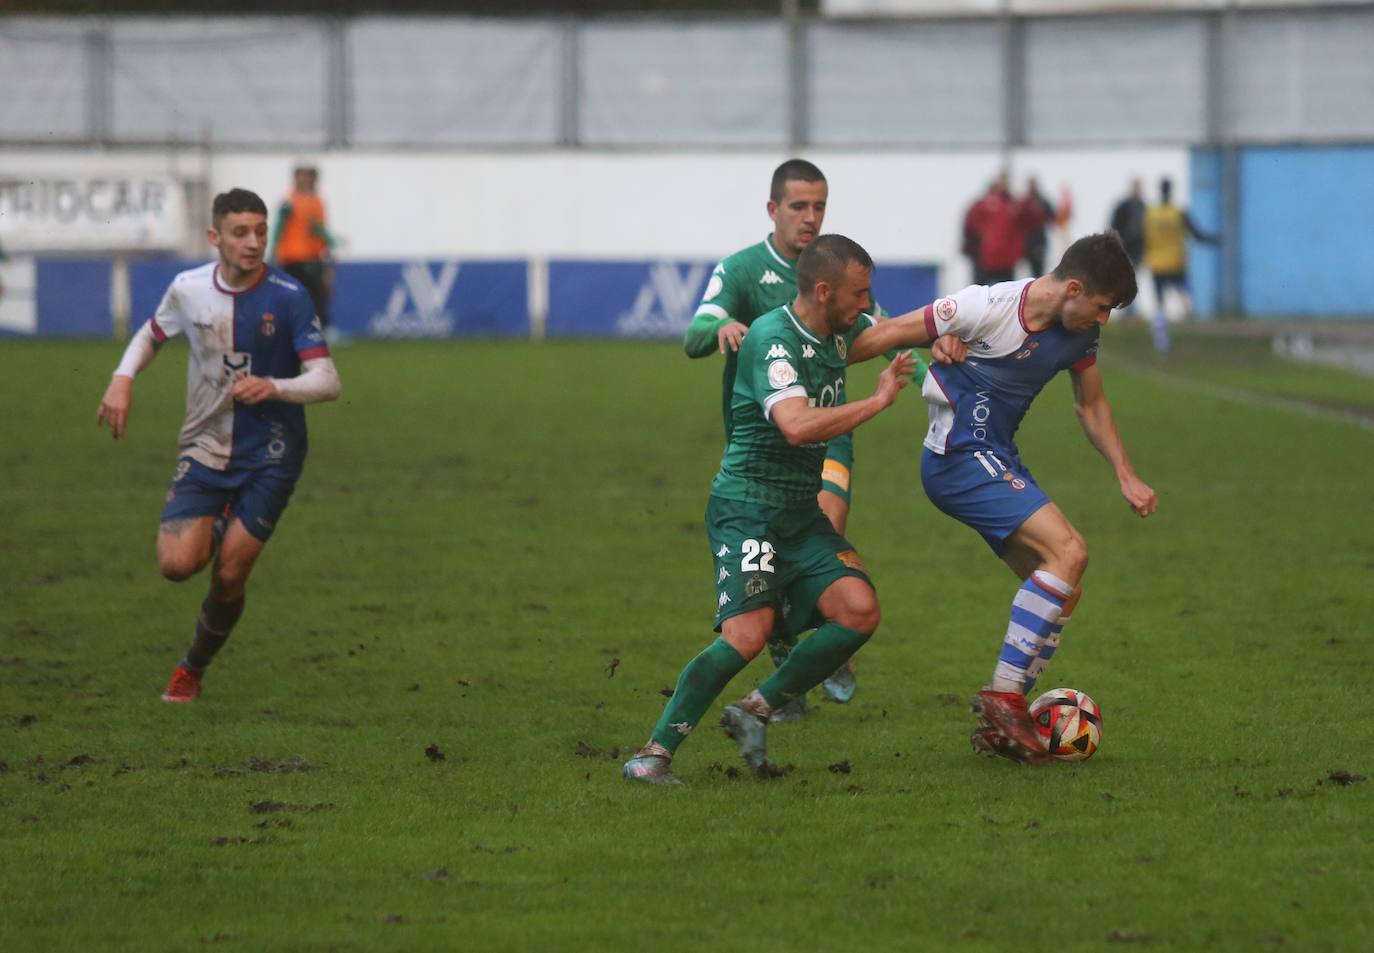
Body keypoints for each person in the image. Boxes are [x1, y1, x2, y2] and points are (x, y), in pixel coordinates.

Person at [623, 235, 940, 785]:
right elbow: (794, 426)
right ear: (823, 292)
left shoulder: (835, 332)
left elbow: (894, 330)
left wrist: (962, 329)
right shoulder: (773, 339)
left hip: (798, 514)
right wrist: (876, 400)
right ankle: (652, 755)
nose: (867, 305)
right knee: (746, 637)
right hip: (748, 509)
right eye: (859, 294)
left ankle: (755, 709)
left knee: (858, 609)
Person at [849, 232, 1157, 762]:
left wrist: (1125, 473)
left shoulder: (1079, 334)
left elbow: (1092, 405)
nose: (1103, 320)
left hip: (996, 457)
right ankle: (1005, 697)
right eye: (1103, 307)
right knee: (1071, 552)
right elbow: (882, 335)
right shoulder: (982, 306)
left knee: (1065, 586)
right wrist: (803, 361)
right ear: (1075, 289)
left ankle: (999, 725)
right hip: (957, 457)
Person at [681, 159, 952, 713]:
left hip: (831, 427)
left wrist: (934, 374)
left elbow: (885, 334)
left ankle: (805, 642)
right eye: (799, 206)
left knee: (826, 525)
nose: (810, 217)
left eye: (819, 206)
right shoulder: (741, 270)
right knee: (789, 547)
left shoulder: (840, 271)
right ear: (773, 209)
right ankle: (782, 638)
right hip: (767, 438)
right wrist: (721, 327)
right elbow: (693, 334)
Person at [96, 188, 342, 702]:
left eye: (260, 231)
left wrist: (277, 386)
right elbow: (149, 335)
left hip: (273, 451)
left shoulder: (289, 295)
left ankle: (192, 667)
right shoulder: (187, 290)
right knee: (177, 566)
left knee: (229, 576)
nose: (253, 243)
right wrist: (123, 378)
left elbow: (327, 380)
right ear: (215, 237)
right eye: (240, 232)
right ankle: (221, 518)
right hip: (205, 443)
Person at [1143, 177, 1218, 353]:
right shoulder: (1179, 213)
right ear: (1171, 191)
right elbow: (1197, 234)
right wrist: (1214, 240)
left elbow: (1139, 236)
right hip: (1176, 262)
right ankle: (1189, 314)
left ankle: (1161, 340)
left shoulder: (1150, 214)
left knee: (1159, 302)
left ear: (1159, 190)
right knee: (1184, 291)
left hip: (1157, 263)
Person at [267, 163, 335, 333]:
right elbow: (279, 227)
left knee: (317, 295)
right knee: (300, 295)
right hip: (295, 256)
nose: (307, 181)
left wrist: (330, 243)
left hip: (314, 256)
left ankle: (319, 328)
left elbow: (316, 228)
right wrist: (272, 252)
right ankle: (300, 329)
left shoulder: (315, 200)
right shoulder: (290, 202)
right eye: (303, 177)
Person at [961, 172, 1032, 286]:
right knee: (981, 291)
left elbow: (1025, 226)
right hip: (985, 258)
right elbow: (971, 226)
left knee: (1007, 293)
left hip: (1007, 259)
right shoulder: (983, 204)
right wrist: (971, 248)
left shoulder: (1014, 205)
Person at [1108, 179, 1146, 317]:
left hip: (1137, 249)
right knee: (1127, 279)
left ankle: (1130, 309)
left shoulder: (1143, 206)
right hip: (1125, 248)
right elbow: (1114, 224)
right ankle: (1128, 309)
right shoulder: (1124, 206)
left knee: (1133, 279)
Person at [1021, 177, 1056, 278]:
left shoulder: (1042, 202)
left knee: (1038, 270)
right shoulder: (1024, 202)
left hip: (1038, 240)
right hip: (1027, 240)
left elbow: (1052, 217)